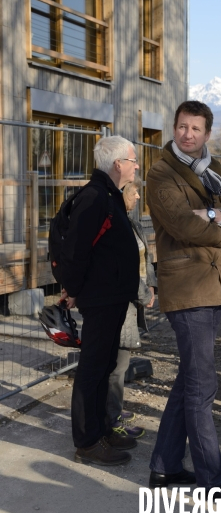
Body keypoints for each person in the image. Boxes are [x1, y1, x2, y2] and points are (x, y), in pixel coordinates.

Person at [146, 100, 221, 502]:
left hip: (214, 287)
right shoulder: (161, 174)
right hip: (188, 288)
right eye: (181, 127)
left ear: (207, 134)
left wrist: (215, 215)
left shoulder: (212, 173)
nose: (187, 134)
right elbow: (180, 225)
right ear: (174, 128)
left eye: (195, 129)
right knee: (202, 387)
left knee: (189, 382)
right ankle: (216, 482)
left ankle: (164, 466)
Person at [60, 135, 140, 466]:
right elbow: (77, 250)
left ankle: (102, 429)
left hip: (113, 297)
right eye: (134, 160)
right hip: (100, 299)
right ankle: (87, 441)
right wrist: (73, 289)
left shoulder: (107, 195)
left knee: (104, 365)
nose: (137, 165)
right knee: (92, 368)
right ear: (118, 164)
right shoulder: (95, 197)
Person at [106, 178, 157, 439]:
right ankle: (111, 419)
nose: (138, 198)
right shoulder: (117, 223)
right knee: (117, 364)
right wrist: (143, 292)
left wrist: (152, 286)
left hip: (132, 300)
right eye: (135, 193)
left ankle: (114, 409)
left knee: (121, 362)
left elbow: (144, 258)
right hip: (121, 301)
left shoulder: (131, 222)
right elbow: (124, 266)